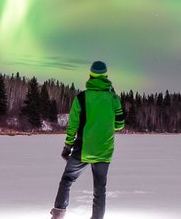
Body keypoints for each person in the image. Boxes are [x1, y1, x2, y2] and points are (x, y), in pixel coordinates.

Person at [51, 60, 125, 219]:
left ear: (90, 76)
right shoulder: (114, 98)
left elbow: (73, 125)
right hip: (104, 150)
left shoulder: (81, 98)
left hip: (82, 149)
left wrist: (67, 146)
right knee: (100, 190)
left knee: (67, 180)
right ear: (106, 76)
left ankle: (58, 214)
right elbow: (120, 124)